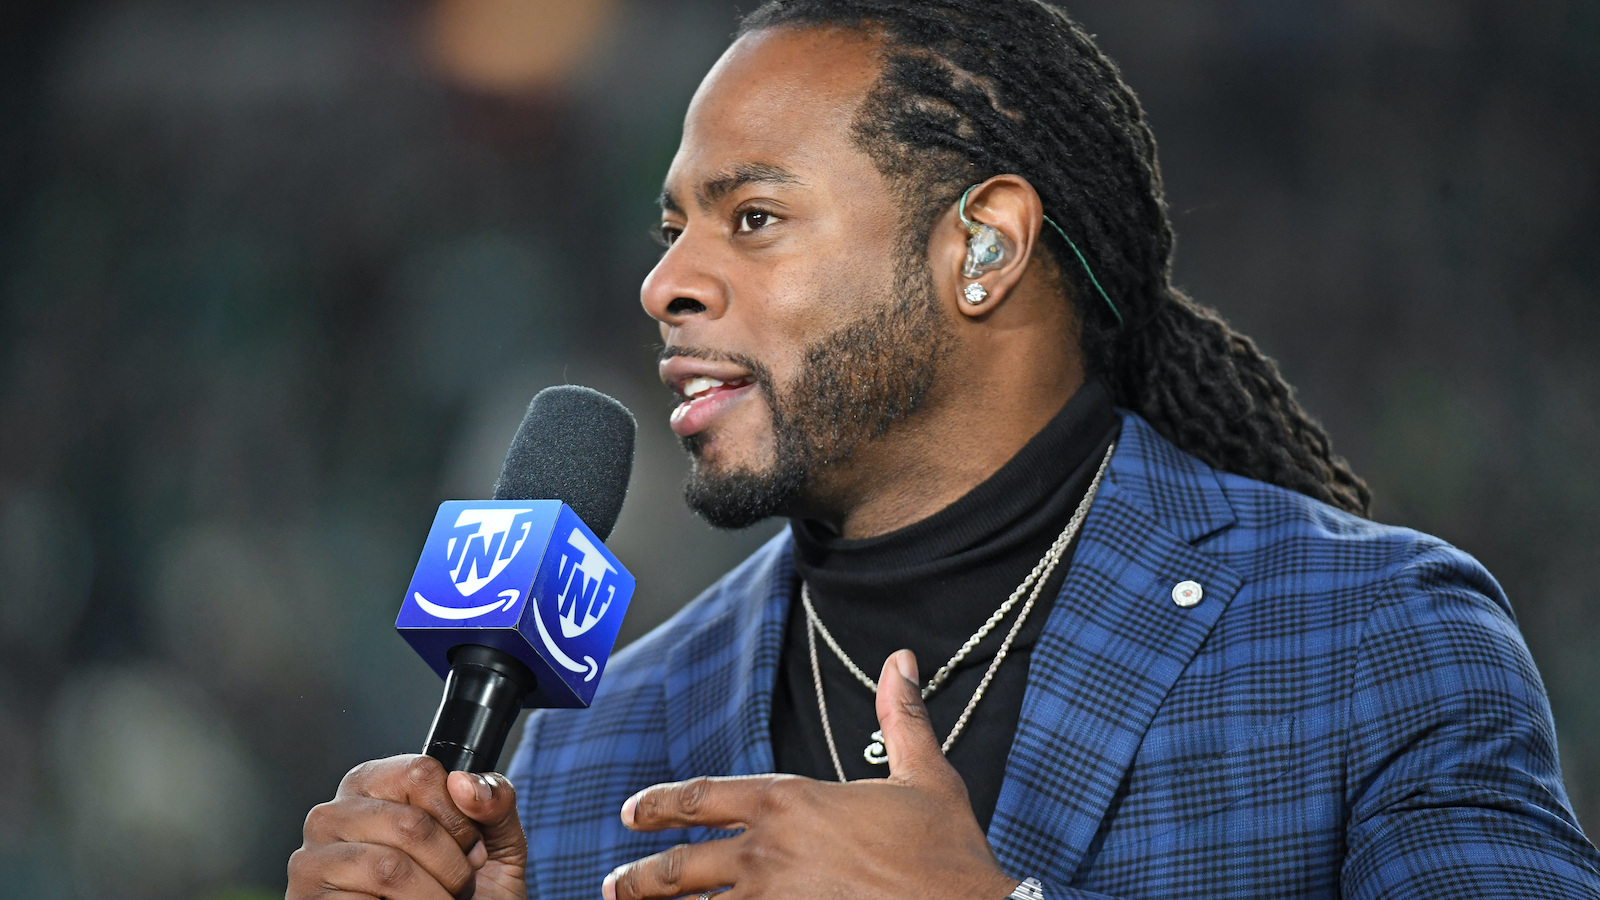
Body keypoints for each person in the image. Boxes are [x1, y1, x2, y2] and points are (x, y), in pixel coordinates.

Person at [286, 2, 1600, 898]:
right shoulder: (588, 750)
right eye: (671, 227)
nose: (665, 283)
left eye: (752, 218)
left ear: (983, 246)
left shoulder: (1372, 639)